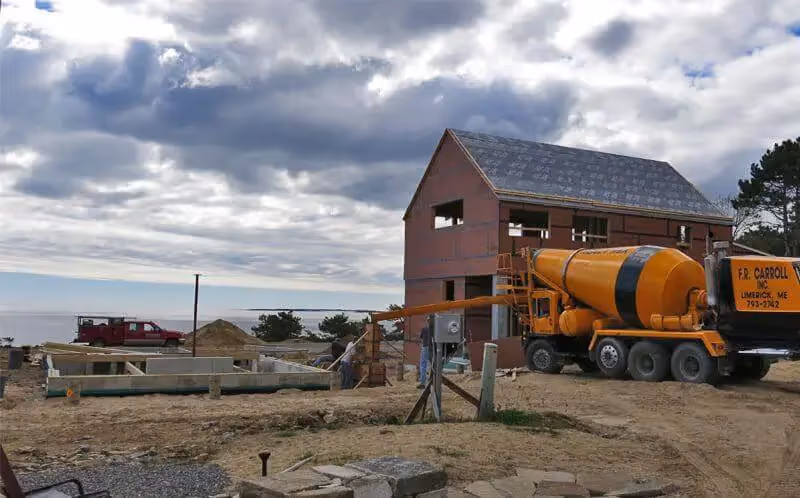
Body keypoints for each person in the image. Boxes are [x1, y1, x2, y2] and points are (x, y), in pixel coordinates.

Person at [417, 319, 431, 388]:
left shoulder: (424, 329)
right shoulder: (436, 330)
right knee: (431, 364)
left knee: (423, 364)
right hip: (434, 348)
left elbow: (421, 337)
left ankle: (423, 382)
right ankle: (430, 382)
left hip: (425, 347)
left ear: (428, 322)